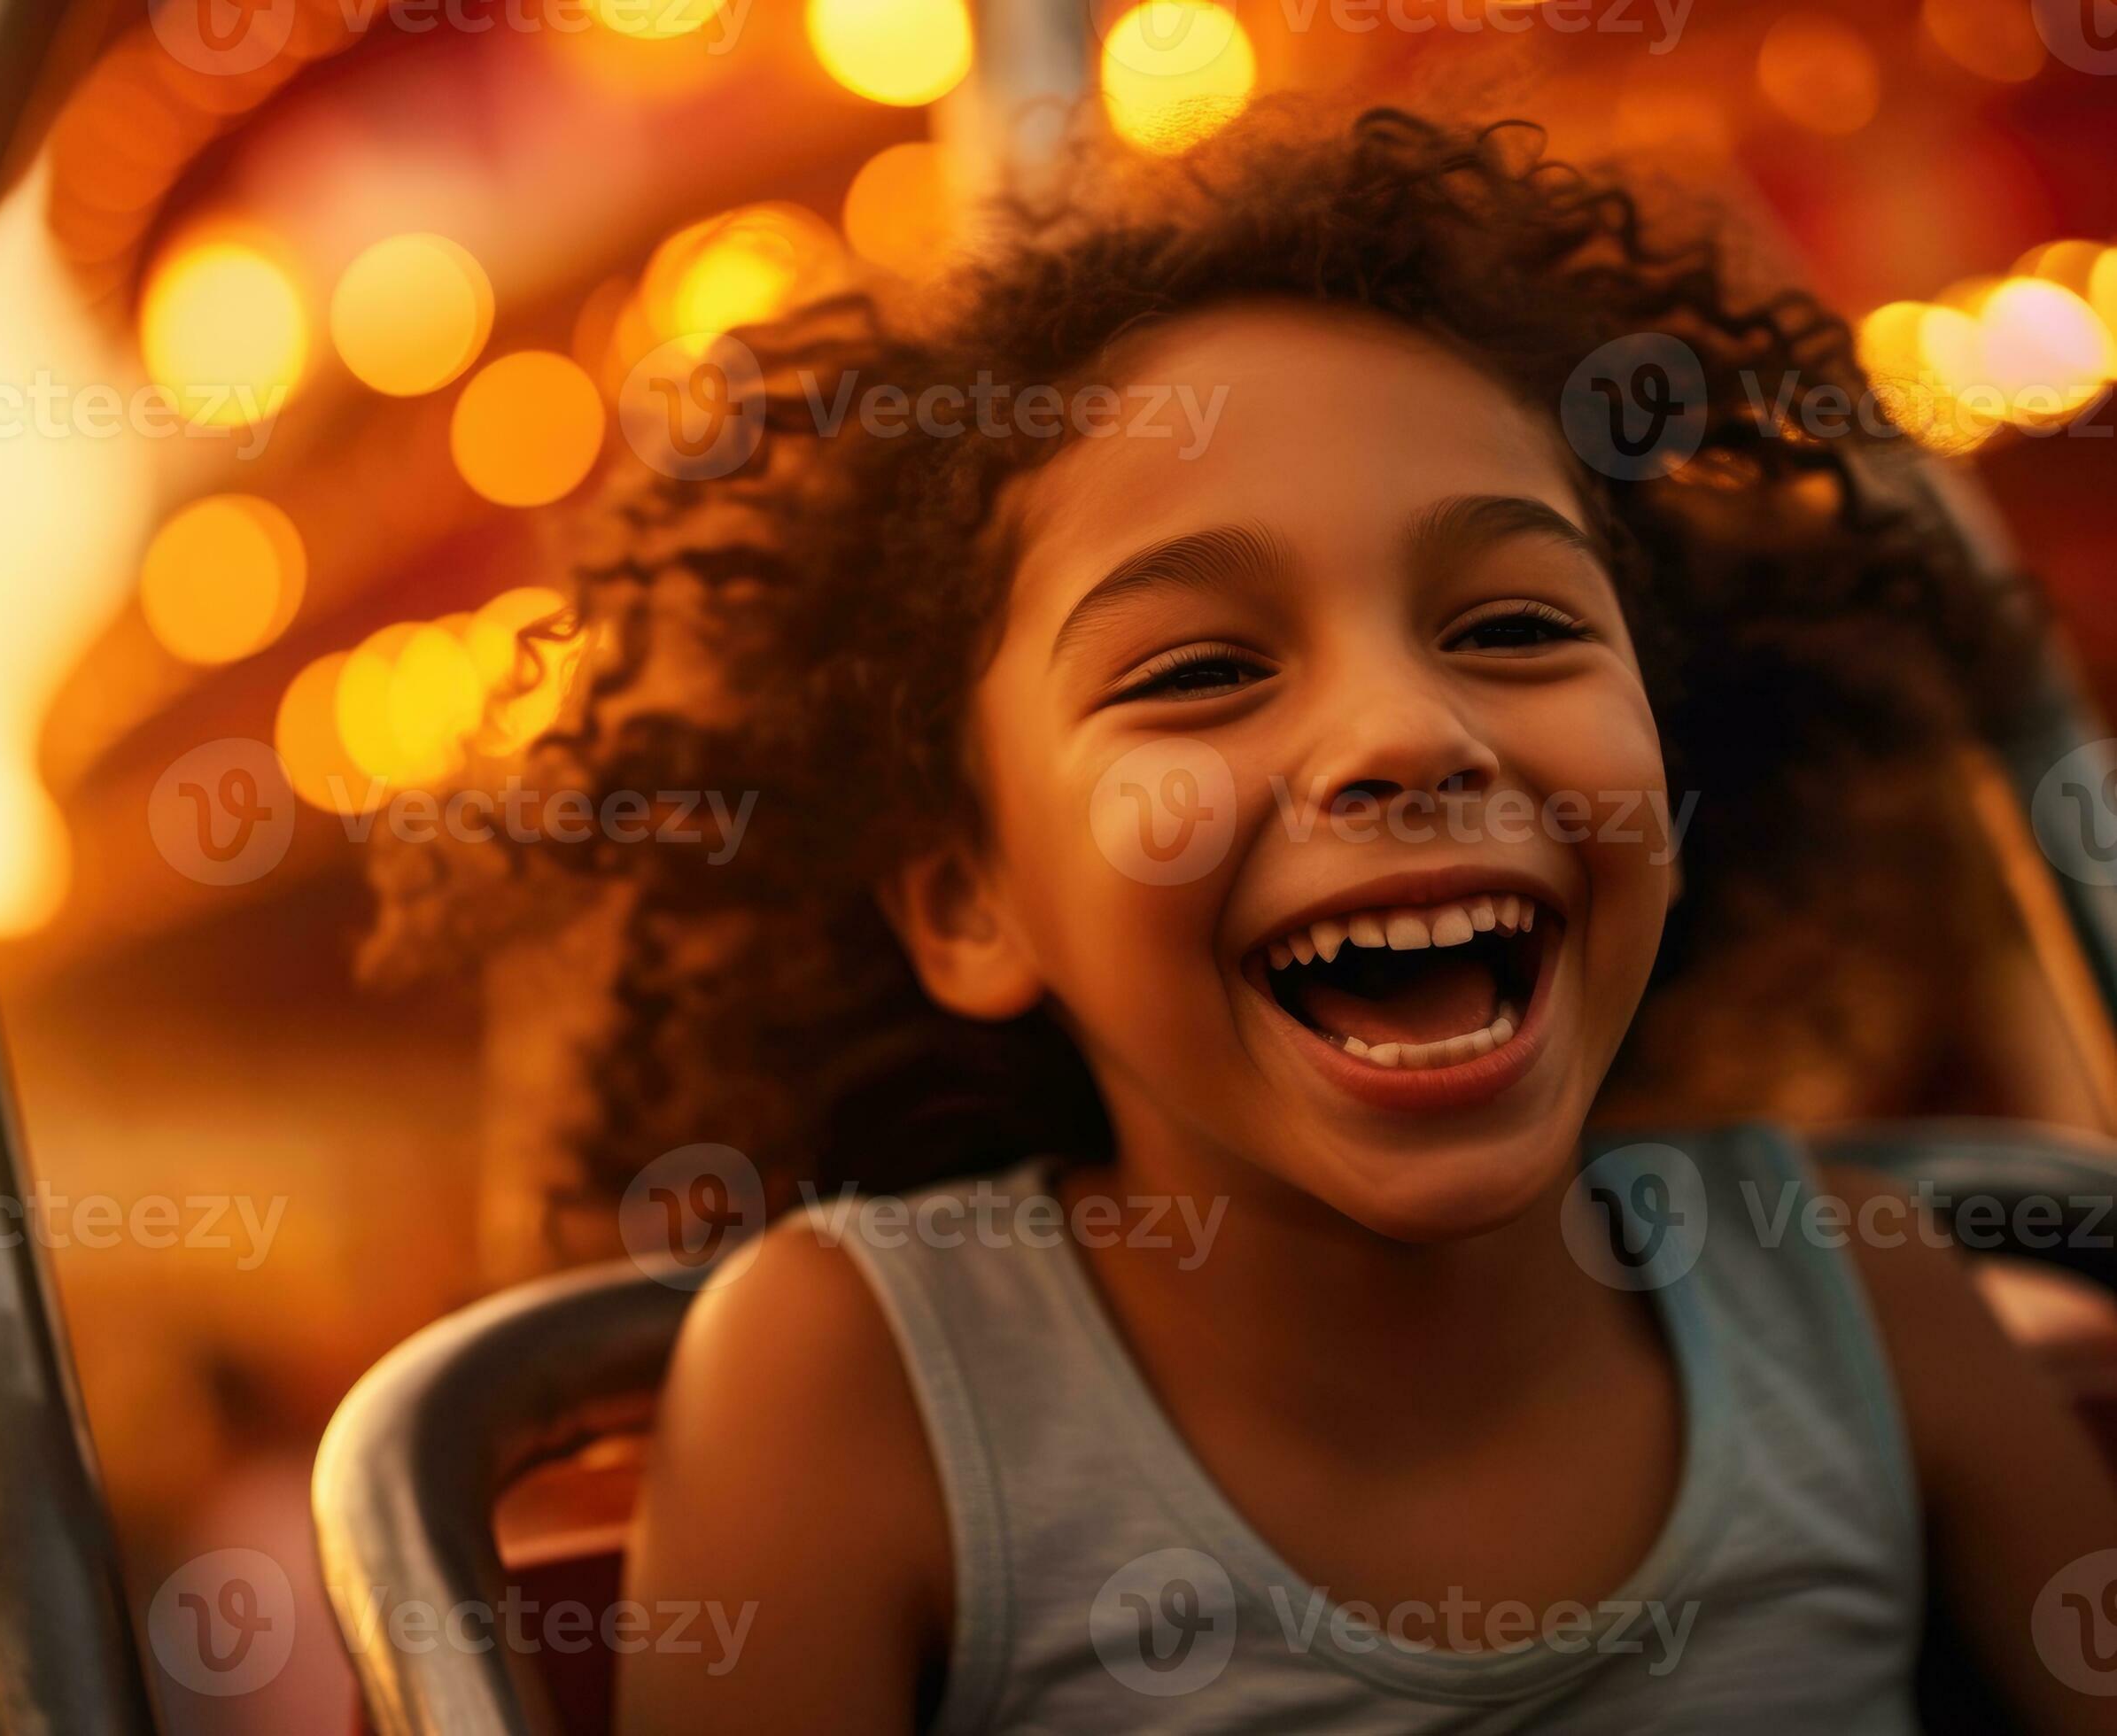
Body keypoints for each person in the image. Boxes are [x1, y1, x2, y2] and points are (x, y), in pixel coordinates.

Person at [399, 108, 2117, 1730]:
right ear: (971, 897)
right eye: (1205, 669)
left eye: (1514, 628)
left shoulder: (1856, 1294)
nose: (1403, 734)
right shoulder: (860, 1383)